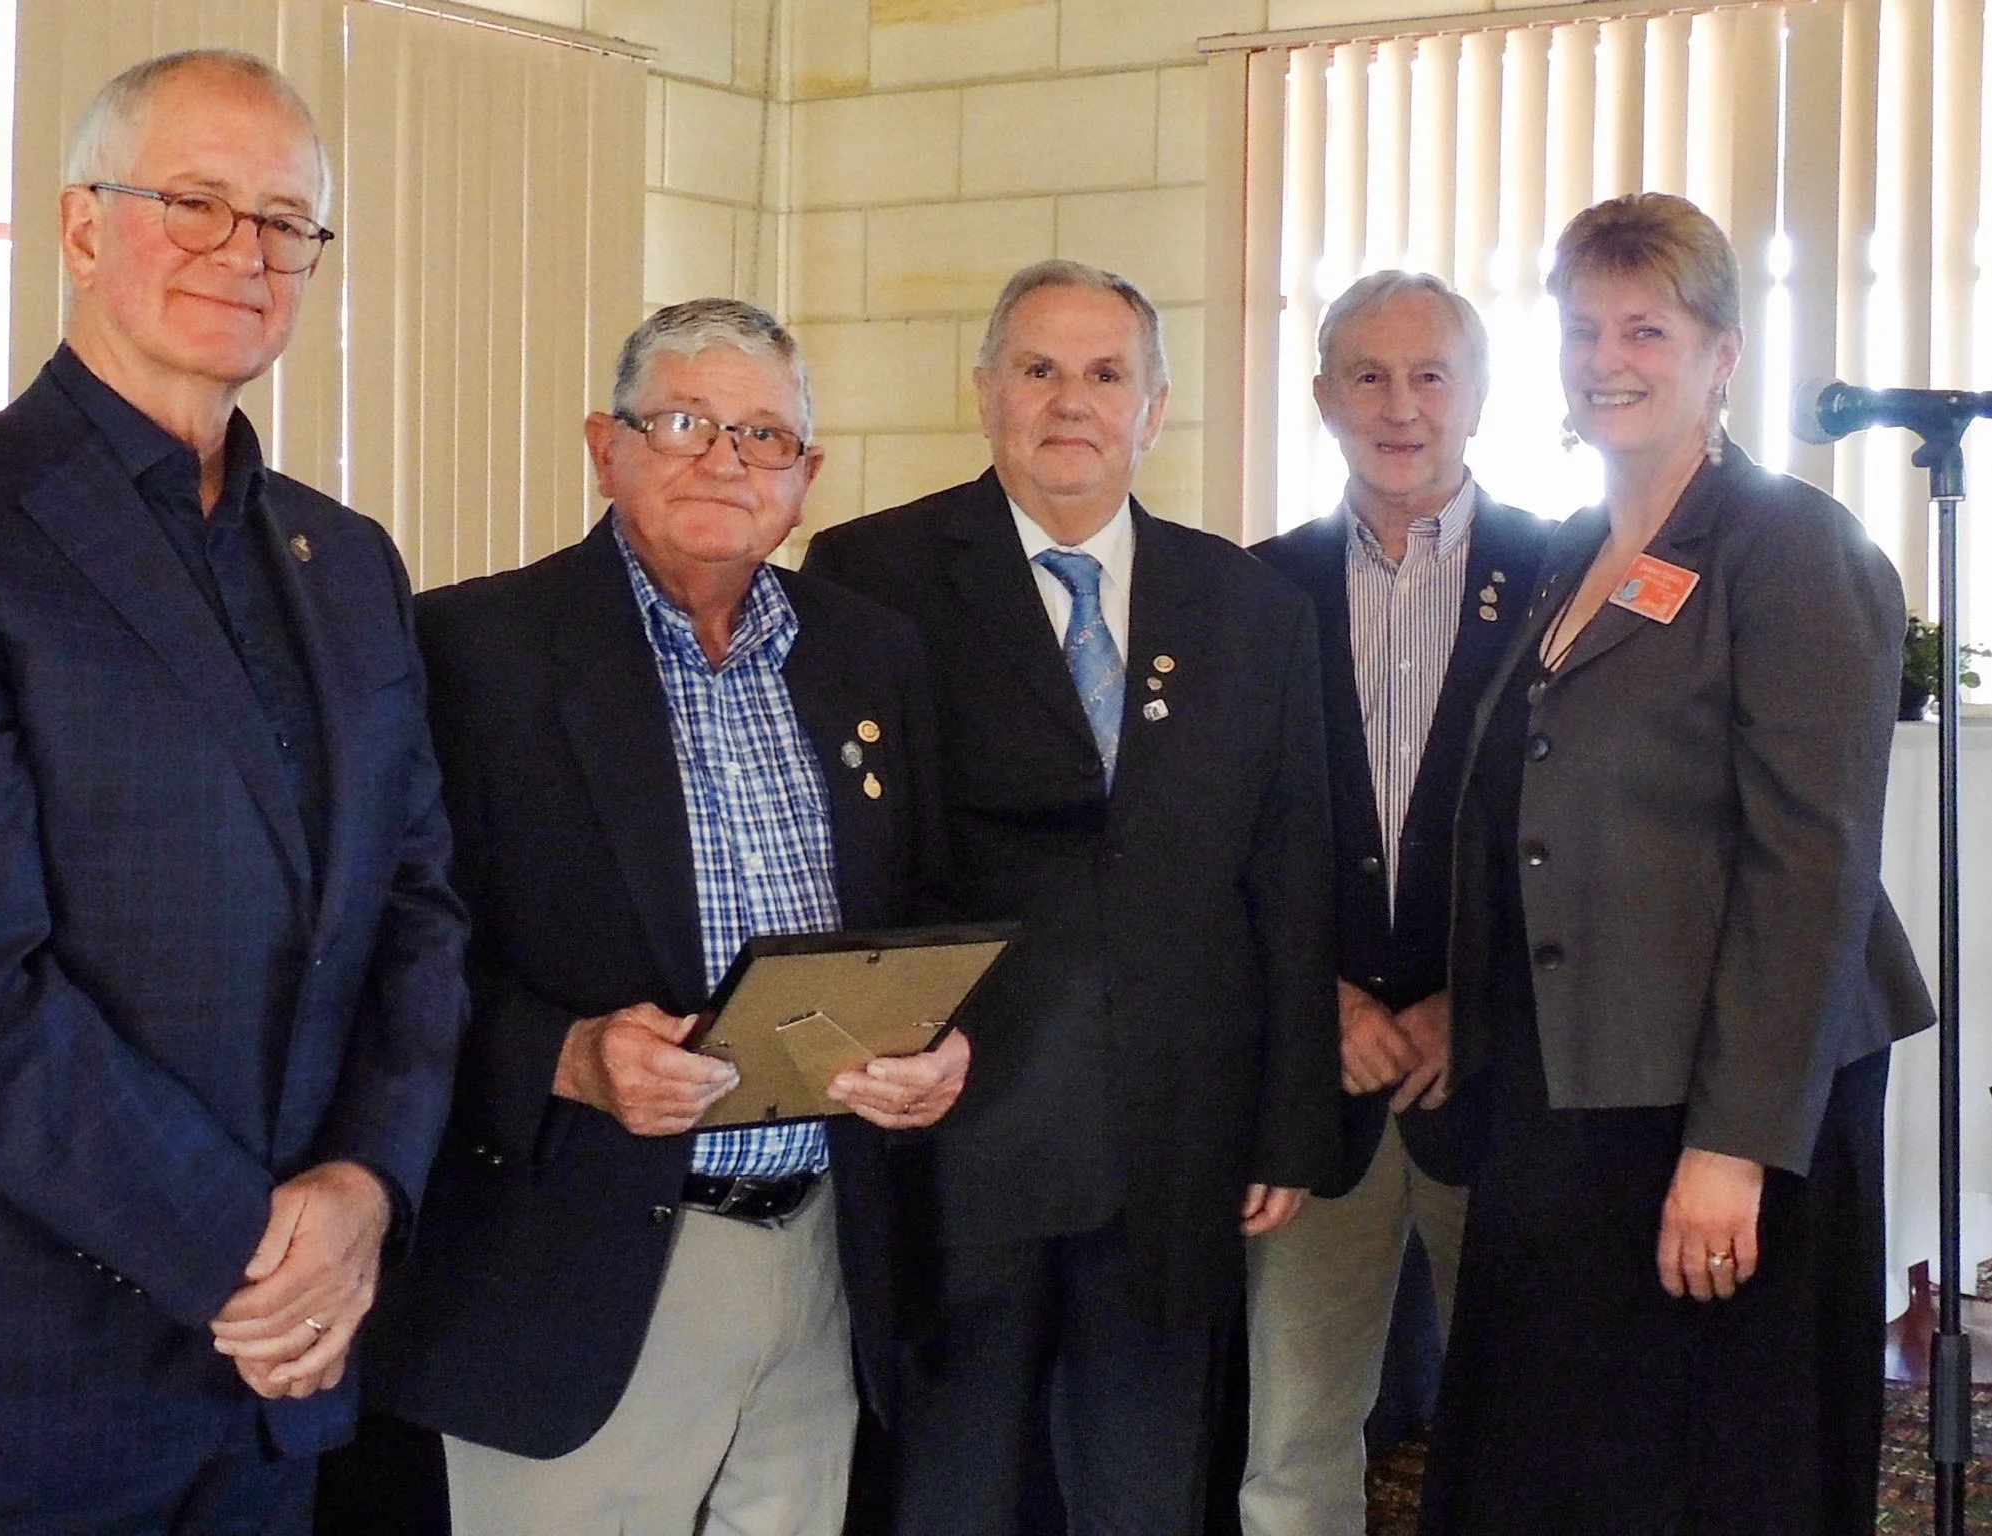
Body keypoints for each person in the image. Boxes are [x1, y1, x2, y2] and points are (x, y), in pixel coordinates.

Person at [0, 48, 470, 1536]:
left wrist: (367, 1189)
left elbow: (417, 911)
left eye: (285, 222)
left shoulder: (352, 566)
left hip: (265, 1403)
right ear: (81, 229)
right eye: (194, 203)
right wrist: (260, 1257)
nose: (245, 254)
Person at [351, 298, 969, 1536]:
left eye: (762, 436)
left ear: (807, 477)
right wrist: (568, 1058)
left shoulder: (869, 653)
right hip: (581, 1268)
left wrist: (942, 1047)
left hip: (820, 1258)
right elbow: (384, 953)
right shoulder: (471, 649)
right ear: (604, 445)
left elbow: (921, 909)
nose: (723, 460)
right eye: (684, 420)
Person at [1419, 192, 1935, 1535]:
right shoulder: (1571, 554)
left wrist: (1733, 1148)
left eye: (1645, 326)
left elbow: (1807, 867)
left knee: (1708, 1464)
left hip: (1726, 1090)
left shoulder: (1789, 546)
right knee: (1560, 1449)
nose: (1606, 358)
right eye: (1581, 327)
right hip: (1571, 1079)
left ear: (1721, 356)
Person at [803, 259, 1338, 1536]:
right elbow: (848, 864)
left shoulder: (1252, 609)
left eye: (1106, 375)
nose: (1069, 402)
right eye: (1037, 369)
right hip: (960, 1122)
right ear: (984, 393)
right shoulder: (868, 575)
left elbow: (1289, 874)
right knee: (952, 1479)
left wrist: (1288, 1122)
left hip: (1179, 1139)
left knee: (1146, 1479)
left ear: (1154, 409)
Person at [1241, 271, 1550, 1536]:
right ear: (1321, 397)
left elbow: (1587, 840)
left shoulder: (1565, 571)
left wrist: (1463, 1007)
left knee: (1525, 1431)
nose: (1400, 404)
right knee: (1293, 1437)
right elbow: (1216, 840)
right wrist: (1315, 1000)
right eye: (1366, 374)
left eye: (1430, 374)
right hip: (1321, 1085)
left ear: (1477, 395)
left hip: (1503, 1075)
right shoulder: (1251, 592)